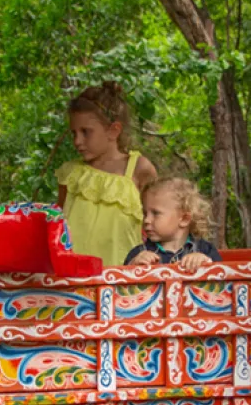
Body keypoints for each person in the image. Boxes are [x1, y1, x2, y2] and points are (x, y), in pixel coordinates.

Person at [56, 82, 158, 266]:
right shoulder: (70, 174)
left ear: (113, 130)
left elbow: (160, 225)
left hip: (123, 280)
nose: (77, 141)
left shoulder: (140, 169)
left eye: (86, 132)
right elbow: (56, 229)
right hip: (73, 282)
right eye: (74, 133)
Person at [124, 178, 221, 270]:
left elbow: (222, 278)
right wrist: (133, 266)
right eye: (145, 214)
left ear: (184, 219)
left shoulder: (205, 249)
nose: (146, 220)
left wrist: (206, 263)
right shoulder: (139, 252)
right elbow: (121, 282)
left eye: (155, 213)